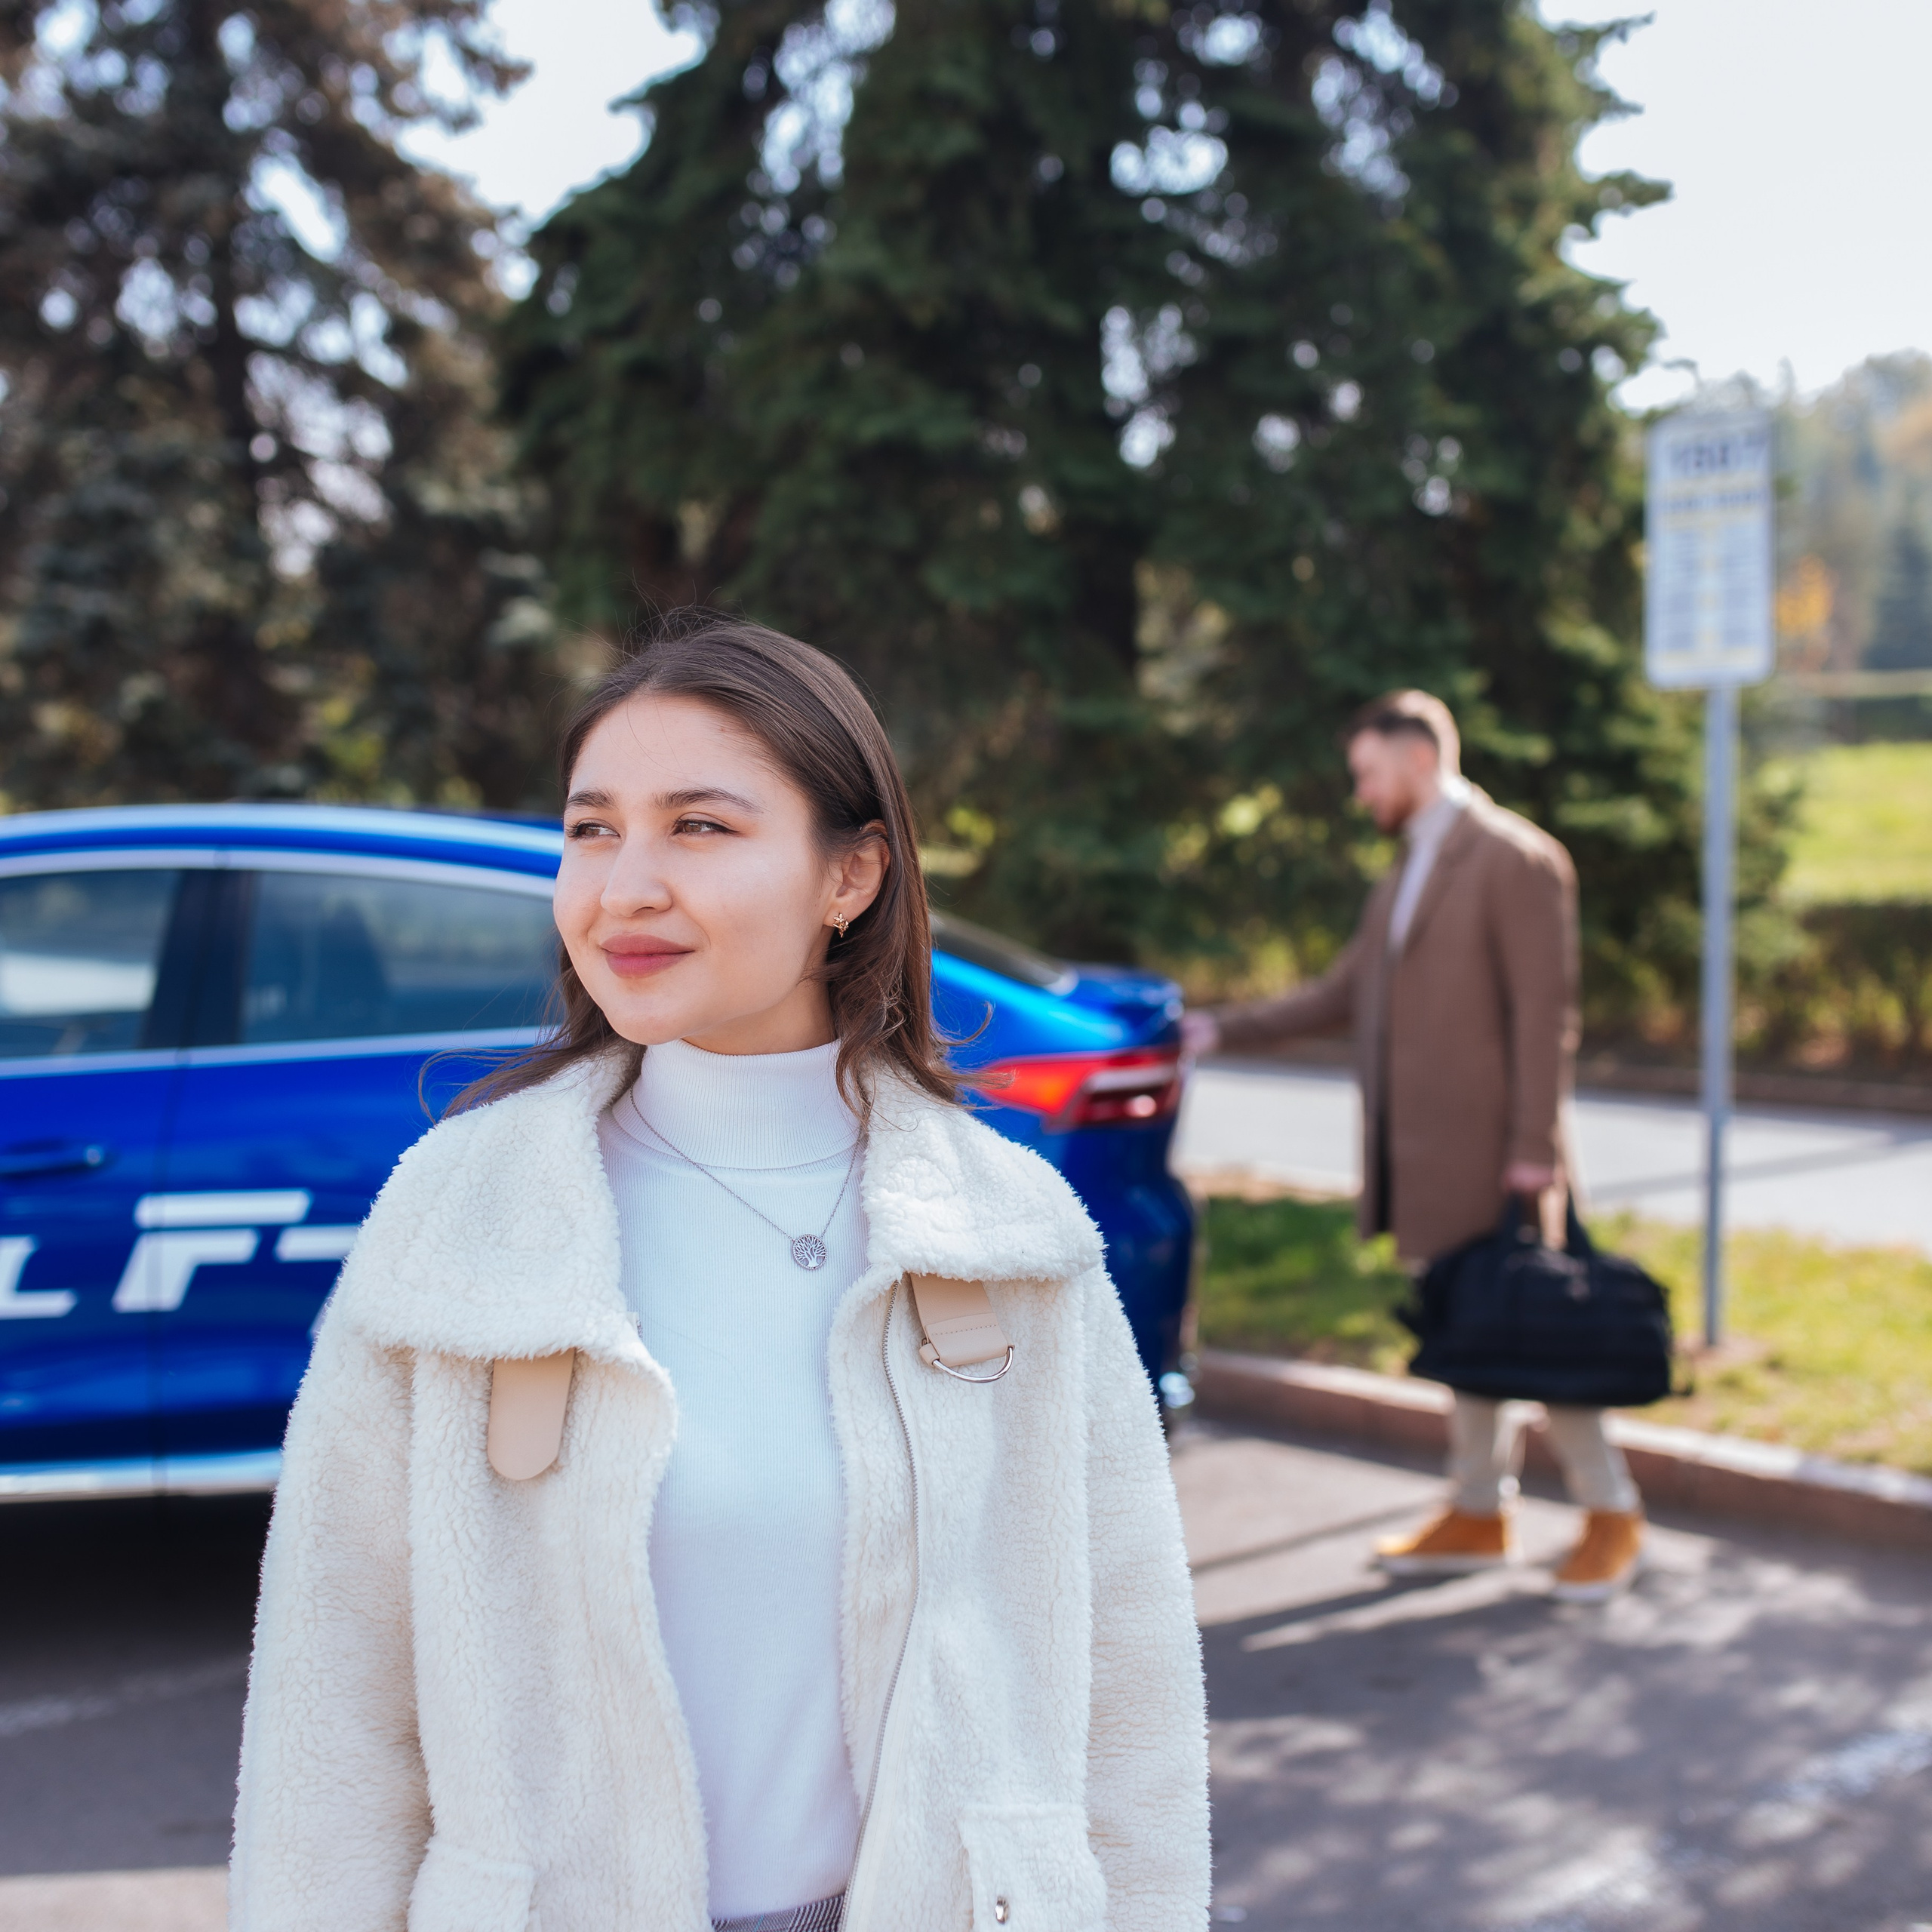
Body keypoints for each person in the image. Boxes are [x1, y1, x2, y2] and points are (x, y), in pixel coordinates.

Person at [229, 614, 1210, 1932]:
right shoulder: (456, 1219)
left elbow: (1130, 1704)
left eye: (699, 827)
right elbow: (331, 1719)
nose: (625, 884)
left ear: (849, 877)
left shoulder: (1011, 1235)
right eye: (592, 829)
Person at [1183, 691, 1644, 1603]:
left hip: (1498, 1156)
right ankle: (1479, 1511)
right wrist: (1214, 1031)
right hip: (1424, 1157)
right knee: (1472, 1327)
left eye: (1367, 773)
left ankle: (1611, 1513)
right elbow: (1336, 994)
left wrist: (1533, 1147)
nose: (1359, 792)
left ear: (1418, 761)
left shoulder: (1515, 859)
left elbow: (1546, 1017)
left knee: (1538, 1326)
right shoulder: (1404, 873)